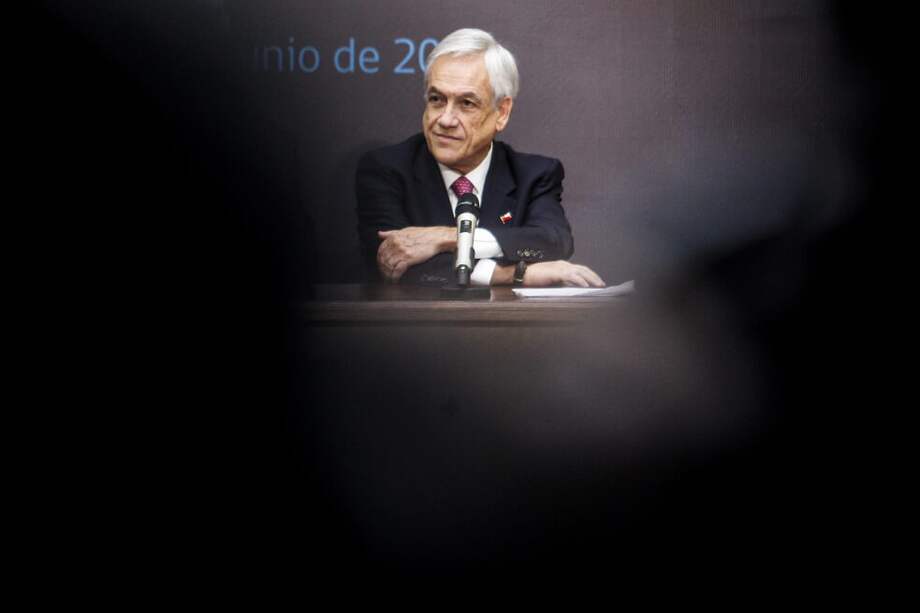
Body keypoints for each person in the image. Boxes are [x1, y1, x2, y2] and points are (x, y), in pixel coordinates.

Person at [356, 28, 604, 288]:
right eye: (437, 99)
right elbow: (394, 263)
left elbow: (552, 241)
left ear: (502, 113)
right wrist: (516, 274)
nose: (446, 120)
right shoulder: (387, 170)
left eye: (467, 104)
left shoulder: (533, 175)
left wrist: (448, 237)